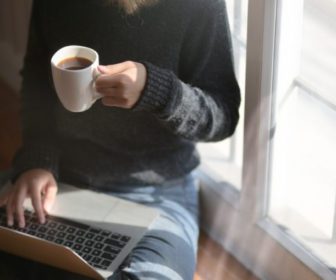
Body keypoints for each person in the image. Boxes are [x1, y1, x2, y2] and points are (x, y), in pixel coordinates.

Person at [0, 0, 241, 279]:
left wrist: (159, 92)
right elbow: (38, 79)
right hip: (61, 176)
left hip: (158, 192)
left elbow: (223, 116)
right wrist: (37, 160)